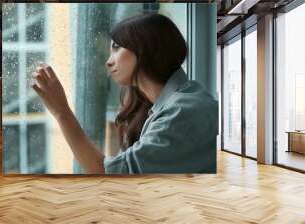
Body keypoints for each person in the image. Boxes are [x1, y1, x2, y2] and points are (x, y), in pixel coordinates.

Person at [31, 13, 218, 174]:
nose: (108, 62)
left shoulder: (184, 111)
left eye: (116, 47)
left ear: (144, 47)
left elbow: (108, 174)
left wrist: (61, 111)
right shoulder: (178, 101)